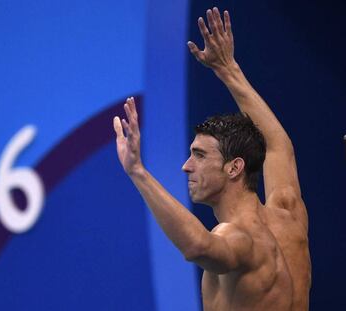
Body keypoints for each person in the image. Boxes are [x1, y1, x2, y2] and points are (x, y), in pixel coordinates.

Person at [113, 7, 311, 311]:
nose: (186, 166)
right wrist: (228, 70)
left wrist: (138, 172)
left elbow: (198, 246)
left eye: (199, 155)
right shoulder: (288, 217)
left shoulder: (238, 236)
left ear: (235, 167)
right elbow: (277, 147)